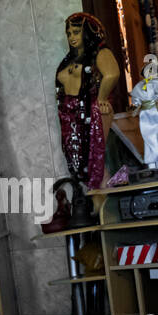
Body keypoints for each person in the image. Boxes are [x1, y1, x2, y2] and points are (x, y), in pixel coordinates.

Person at [54, 13, 119, 188]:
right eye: (69, 33)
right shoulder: (70, 59)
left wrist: (102, 97)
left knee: (96, 161)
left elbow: (112, 74)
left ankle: (103, 204)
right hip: (69, 117)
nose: (71, 37)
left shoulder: (100, 52)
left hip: (92, 112)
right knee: (80, 163)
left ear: (88, 32)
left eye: (76, 32)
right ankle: (96, 203)